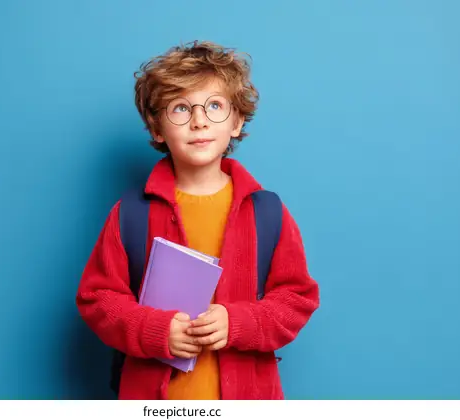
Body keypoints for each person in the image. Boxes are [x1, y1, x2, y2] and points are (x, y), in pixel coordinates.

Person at [75, 40, 320, 400]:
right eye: (180, 108)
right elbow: (98, 299)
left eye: (215, 105)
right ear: (157, 129)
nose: (199, 120)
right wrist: (156, 331)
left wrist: (238, 323)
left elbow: (297, 298)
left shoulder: (267, 212)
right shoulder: (130, 215)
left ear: (236, 122)